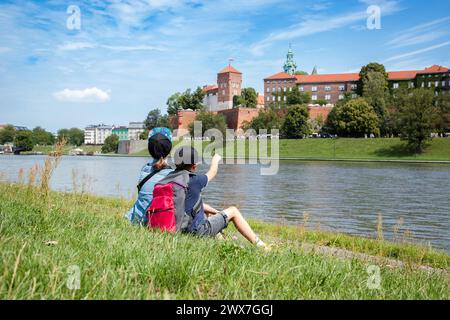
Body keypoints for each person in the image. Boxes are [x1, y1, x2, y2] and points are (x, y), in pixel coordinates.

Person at [174, 146, 269, 250]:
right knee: (233, 211)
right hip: (195, 232)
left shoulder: (170, 179)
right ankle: (262, 246)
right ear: (194, 166)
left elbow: (195, 205)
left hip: (177, 228)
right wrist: (215, 159)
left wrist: (217, 212)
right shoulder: (195, 180)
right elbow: (212, 172)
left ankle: (223, 240)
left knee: (205, 212)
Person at [125, 127, 173, 225]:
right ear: (169, 149)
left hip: (135, 220)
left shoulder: (144, 170)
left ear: (150, 150)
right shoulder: (172, 175)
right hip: (156, 221)